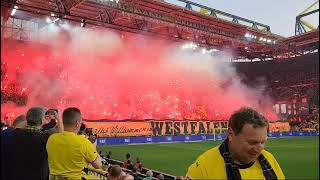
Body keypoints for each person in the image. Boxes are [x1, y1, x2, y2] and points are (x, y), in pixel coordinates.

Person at [186, 107, 285, 180]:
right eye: (252, 142)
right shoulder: (204, 166)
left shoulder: (269, 160)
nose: (259, 148)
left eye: (263, 142)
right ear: (231, 134)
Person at [1, 107, 63, 180]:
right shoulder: (45, 138)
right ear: (41, 120)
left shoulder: (14, 133)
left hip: (14, 175)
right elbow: (61, 136)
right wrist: (59, 119)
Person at [46, 107, 102, 179]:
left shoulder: (52, 139)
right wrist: (94, 147)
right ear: (77, 123)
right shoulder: (84, 143)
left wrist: (59, 119)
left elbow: (62, 134)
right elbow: (98, 165)